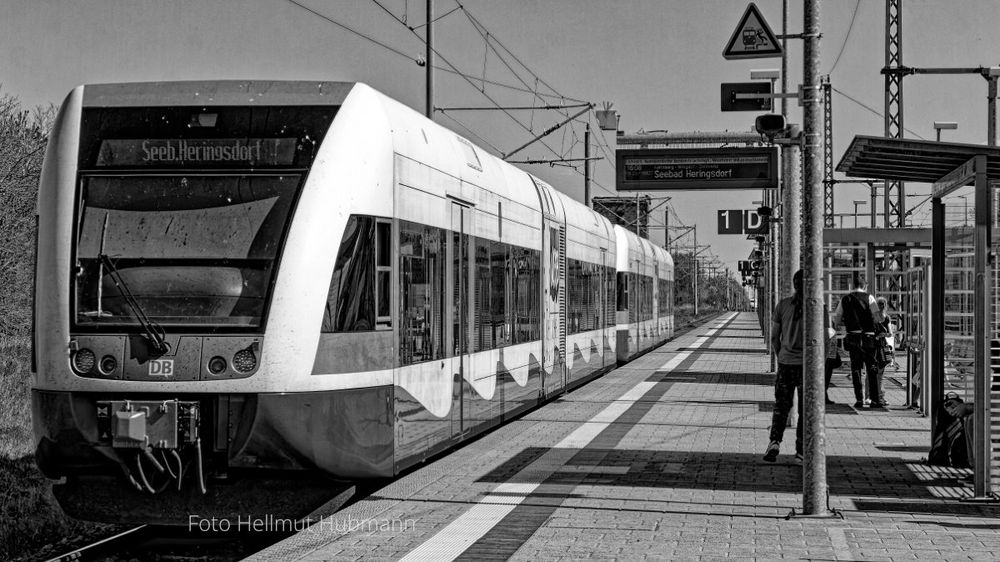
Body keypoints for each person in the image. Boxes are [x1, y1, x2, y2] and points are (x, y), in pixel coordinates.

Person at [763, 270, 805, 463]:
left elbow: (774, 337)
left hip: (786, 363)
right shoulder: (817, 307)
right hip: (807, 367)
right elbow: (825, 338)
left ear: (795, 285)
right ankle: (801, 452)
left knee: (781, 405)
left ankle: (774, 442)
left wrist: (780, 355)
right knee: (806, 409)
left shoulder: (783, 305)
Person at [832, 274, 885, 408]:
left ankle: (859, 399)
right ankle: (874, 399)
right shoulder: (870, 297)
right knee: (871, 368)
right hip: (869, 338)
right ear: (864, 286)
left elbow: (837, 319)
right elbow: (878, 318)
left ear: (852, 286)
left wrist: (844, 324)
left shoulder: (845, 299)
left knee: (856, 369)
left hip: (853, 337)